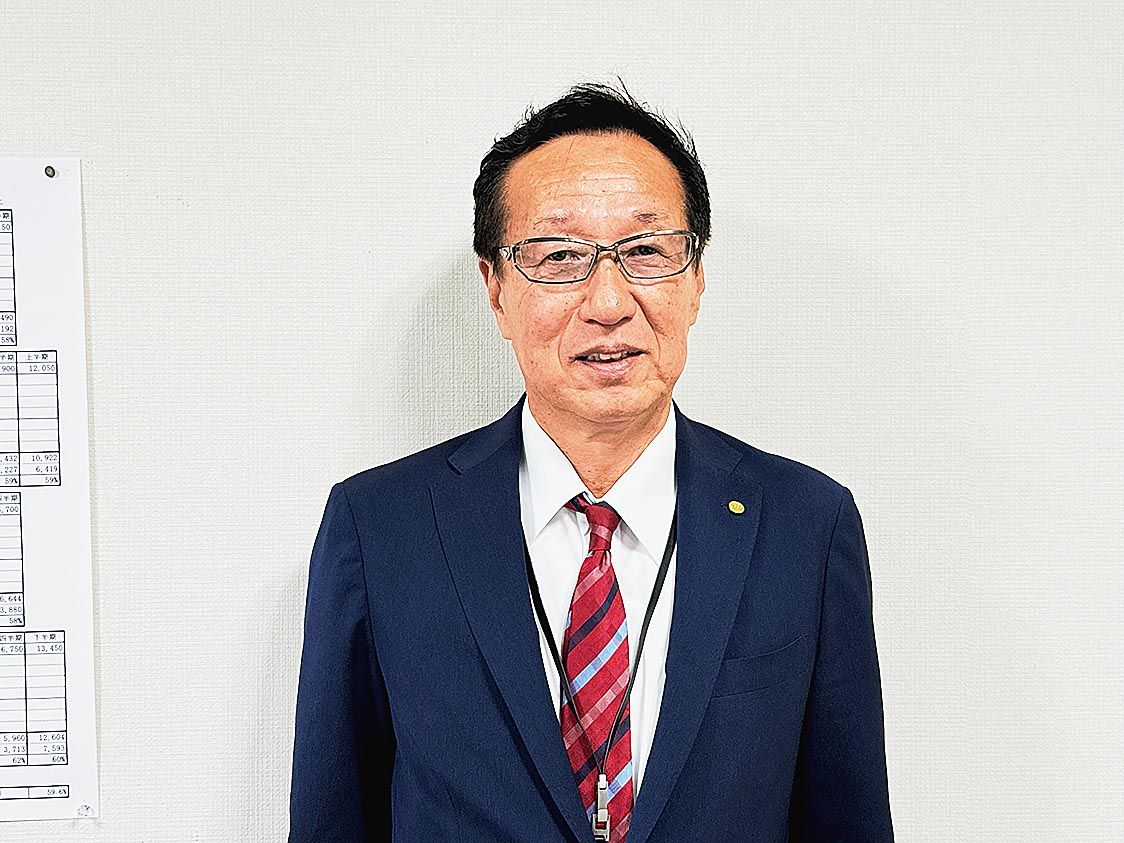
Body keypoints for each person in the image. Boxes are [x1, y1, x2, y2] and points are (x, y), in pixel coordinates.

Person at [289, 83, 894, 842]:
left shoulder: (805, 524)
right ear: (496, 289)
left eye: (646, 252)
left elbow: (847, 819)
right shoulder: (380, 527)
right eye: (560, 257)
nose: (609, 302)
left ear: (696, 280)